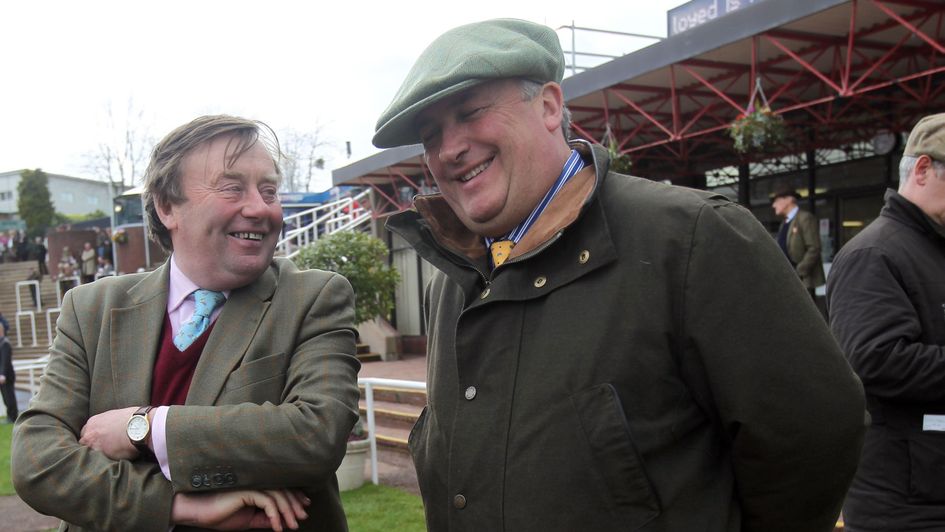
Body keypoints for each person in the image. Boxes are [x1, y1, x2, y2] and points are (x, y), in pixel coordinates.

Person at [378, 19, 867, 532]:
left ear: (548, 106)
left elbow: (815, 435)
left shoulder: (691, 237)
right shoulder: (450, 281)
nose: (449, 148)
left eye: (470, 112)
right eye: (430, 136)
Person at [12, 115, 361, 531]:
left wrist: (143, 427)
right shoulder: (92, 310)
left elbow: (316, 435)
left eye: (269, 190)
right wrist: (178, 507)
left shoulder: (313, 298)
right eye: (233, 188)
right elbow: (38, 461)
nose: (260, 207)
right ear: (166, 206)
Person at [827, 112, 945, 531]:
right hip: (905, 500)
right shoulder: (873, 253)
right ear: (924, 168)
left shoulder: (928, 247)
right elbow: (875, 360)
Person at [771, 188, 826, 300]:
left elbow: (814, 248)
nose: (773, 205)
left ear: (788, 200)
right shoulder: (785, 223)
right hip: (787, 279)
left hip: (802, 281)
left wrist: (799, 271)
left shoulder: (805, 218)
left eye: (776, 201)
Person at [0, 326, 16, 424]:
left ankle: (13, 416)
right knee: (6, 398)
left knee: (9, 397)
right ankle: (10, 415)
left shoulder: (5, 343)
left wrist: (2, 374)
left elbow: (5, 361)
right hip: (2, 376)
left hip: (6, 376)